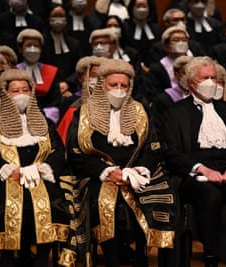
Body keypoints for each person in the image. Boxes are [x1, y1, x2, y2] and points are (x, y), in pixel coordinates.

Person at [66, 59, 176, 267]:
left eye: (123, 86)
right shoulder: (83, 113)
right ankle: (112, 260)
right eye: (113, 85)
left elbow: (153, 148)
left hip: (136, 173)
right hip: (98, 175)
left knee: (156, 198)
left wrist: (138, 170)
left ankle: (142, 259)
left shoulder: (140, 111)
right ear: (102, 85)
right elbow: (76, 154)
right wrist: (107, 172)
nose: (119, 90)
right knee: (106, 202)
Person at [161, 56, 226, 267]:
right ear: (190, 83)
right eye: (205, 78)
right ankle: (211, 256)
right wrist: (202, 170)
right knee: (210, 195)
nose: (211, 83)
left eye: (214, 78)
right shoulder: (174, 112)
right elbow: (171, 152)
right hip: (192, 176)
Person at [0, 68, 76, 267]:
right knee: (3, 207)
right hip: (6, 180)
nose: (21, 95)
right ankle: (6, 261)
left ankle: (41, 260)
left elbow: (57, 151)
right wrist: (6, 169)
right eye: (15, 91)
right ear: (5, 93)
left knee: (53, 204)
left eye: (25, 90)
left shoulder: (44, 123)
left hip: (40, 179)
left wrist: (44, 168)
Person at [16, 28, 62, 125]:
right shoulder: (14, 71)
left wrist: (45, 120)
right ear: (20, 49)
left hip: (47, 119)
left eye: (36, 45)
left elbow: (55, 101)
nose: (33, 49)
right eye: (28, 45)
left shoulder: (51, 71)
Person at [144, 26, 197, 103]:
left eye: (184, 40)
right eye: (176, 40)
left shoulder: (197, 63)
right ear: (166, 46)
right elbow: (154, 94)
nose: (181, 43)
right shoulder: (157, 68)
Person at [150, 55, 192, 133]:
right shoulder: (163, 100)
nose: (189, 77)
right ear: (176, 75)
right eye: (185, 73)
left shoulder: (200, 98)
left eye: (192, 73)